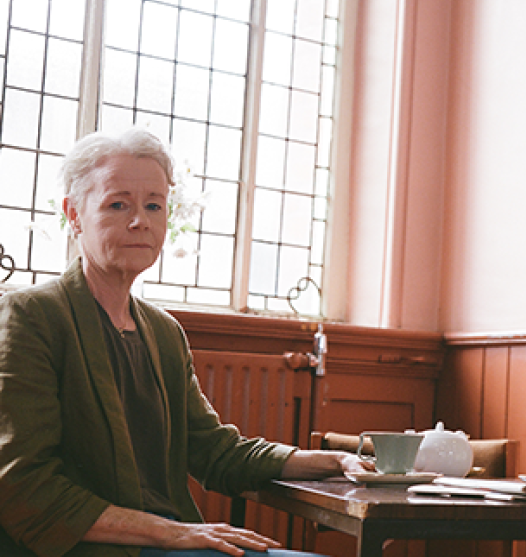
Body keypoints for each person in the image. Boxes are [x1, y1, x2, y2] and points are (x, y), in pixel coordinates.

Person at [0, 128, 373, 557]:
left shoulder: (162, 331)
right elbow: (21, 484)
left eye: (154, 205)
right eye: (117, 204)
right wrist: (167, 532)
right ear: (74, 214)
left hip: (173, 541)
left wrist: (330, 461)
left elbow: (215, 451)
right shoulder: (32, 315)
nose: (140, 220)